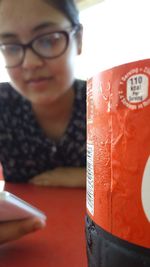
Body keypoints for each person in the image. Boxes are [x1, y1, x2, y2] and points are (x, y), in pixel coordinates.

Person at [0, 0, 86, 244]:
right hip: (23, 242)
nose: (30, 63)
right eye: (11, 47)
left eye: (48, 40)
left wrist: (83, 176)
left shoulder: (108, 102)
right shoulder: (2, 103)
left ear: (78, 39)